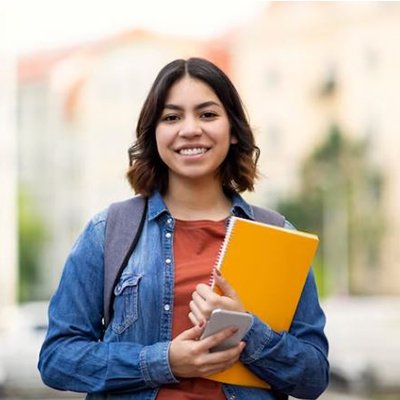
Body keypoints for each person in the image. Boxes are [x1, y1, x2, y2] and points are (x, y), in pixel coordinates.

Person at [38, 57, 329, 399]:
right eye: (172, 117)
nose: (190, 129)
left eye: (207, 114)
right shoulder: (108, 232)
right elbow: (57, 359)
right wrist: (166, 362)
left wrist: (248, 330)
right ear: (154, 133)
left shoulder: (278, 237)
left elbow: (314, 377)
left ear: (233, 131)